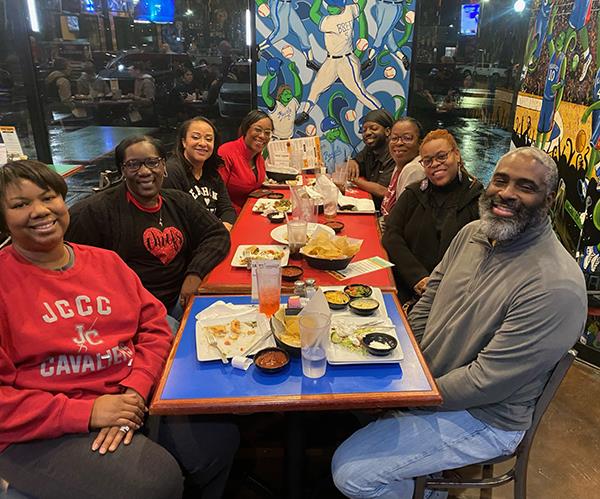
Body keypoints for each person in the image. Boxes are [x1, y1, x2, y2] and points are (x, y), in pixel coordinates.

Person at [332, 146, 587, 498]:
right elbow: (428, 301)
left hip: (485, 417)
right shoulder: (472, 235)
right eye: (501, 180)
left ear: (550, 199)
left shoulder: (555, 285)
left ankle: (433, 492)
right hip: (431, 386)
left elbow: (486, 383)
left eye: (526, 187)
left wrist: (409, 396)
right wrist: (405, 365)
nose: (506, 193)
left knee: (351, 473)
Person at [0, 160, 239, 499]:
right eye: (21, 205)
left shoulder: (105, 262)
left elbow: (155, 328)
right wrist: (90, 412)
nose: (40, 211)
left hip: (129, 398)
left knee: (219, 440)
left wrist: (135, 390)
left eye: (48, 197)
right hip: (39, 429)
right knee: (156, 480)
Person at [66, 136, 230, 319]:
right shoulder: (95, 212)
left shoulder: (178, 201)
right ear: (123, 170)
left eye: (153, 162)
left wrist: (195, 273)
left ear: (164, 166)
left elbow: (217, 234)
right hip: (134, 310)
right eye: (133, 164)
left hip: (180, 300)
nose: (144, 171)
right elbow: (72, 269)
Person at [382, 129, 483, 304]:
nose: (435, 164)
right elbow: (391, 235)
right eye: (427, 161)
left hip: (459, 296)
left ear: (457, 155)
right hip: (409, 288)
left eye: (442, 156)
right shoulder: (413, 194)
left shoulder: (478, 199)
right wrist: (417, 277)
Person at [164, 116, 236, 230]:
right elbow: (177, 220)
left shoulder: (211, 172)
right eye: (196, 137)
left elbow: (227, 209)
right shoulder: (172, 171)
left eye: (208, 139)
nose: (203, 143)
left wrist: (224, 229)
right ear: (183, 142)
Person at [218, 110, 273, 213]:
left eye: (267, 132)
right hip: (230, 216)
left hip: (252, 211)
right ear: (246, 129)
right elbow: (217, 195)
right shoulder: (226, 152)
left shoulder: (258, 157)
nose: (262, 136)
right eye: (257, 130)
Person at [347, 110, 396, 210]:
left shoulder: (394, 154)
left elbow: (382, 190)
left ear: (387, 131)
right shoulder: (369, 149)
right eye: (364, 130)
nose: (367, 133)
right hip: (367, 206)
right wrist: (352, 161)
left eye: (373, 128)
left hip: (384, 214)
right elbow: (356, 162)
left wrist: (353, 179)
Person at [380, 117, 426, 218]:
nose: (399, 143)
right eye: (394, 138)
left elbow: (403, 218)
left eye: (407, 138)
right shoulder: (400, 165)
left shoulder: (415, 170)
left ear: (420, 143)